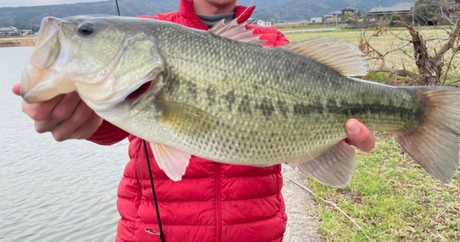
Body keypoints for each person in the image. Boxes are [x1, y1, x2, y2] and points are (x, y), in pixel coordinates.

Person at [11, 0, 375, 241]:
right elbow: (116, 123)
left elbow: (302, 126)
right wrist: (81, 118)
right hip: (153, 233)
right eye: (88, 31)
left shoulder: (271, 42)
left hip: (254, 232)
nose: (79, 35)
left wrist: (330, 138)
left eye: (86, 31)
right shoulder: (152, 29)